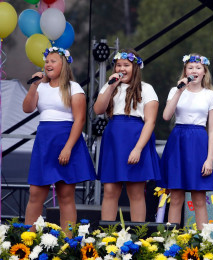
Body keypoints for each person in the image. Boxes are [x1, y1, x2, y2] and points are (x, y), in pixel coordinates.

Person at [23, 47, 96, 233]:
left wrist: (68, 148)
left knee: (66, 195)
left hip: (66, 140)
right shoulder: (40, 87)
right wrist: (33, 85)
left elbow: (80, 120)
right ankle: (27, 240)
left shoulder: (74, 87)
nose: (48, 64)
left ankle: (68, 242)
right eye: (47, 61)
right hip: (45, 141)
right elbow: (27, 108)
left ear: (63, 65)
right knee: (35, 194)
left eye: (53, 61)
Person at [94, 49, 160, 222]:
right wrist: (110, 86)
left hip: (135, 139)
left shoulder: (147, 89)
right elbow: (98, 109)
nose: (122, 69)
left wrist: (138, 149)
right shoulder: (110, 86)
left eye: (126, 65)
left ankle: (138, 237)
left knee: (136, 191)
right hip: (114, 140)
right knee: (109, 190)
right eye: (118, 65)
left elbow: (150, 122)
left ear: (135, 67)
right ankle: (107, 234)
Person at [158, 54, 213, 230]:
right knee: (176, 195)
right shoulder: (175, 90)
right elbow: (165, 116)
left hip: (199, 141)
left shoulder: (210, 95)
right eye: (190, 67)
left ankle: (203, 243)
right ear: (185, 70)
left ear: (204, 72)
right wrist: (179, 90)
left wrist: (210, 159)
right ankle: (171, 241)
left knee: (199, 197)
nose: (194, 70)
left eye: (198, 67)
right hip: (178, 140)